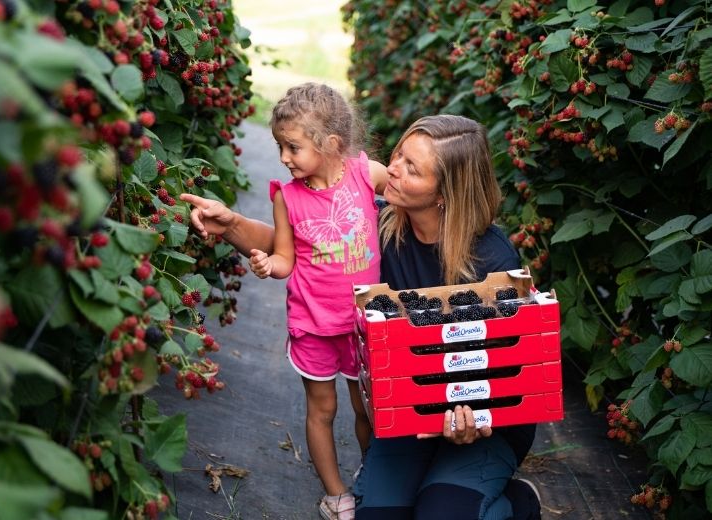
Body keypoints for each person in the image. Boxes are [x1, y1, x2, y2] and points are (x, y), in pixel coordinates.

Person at [180, 114, 542, 520]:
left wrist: (477, 415)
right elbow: (301, 243)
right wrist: (232, 225)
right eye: (398, 155)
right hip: (411, 411)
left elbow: (512, 365)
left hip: (477, 425)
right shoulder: (380, 223)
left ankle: (517, 504)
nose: (393, 169)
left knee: (442, 514)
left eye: (412, 168)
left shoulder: (492, 260)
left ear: (445, 192)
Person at [199, 82, 387, 520]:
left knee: (368, 406)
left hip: (362, 325)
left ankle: (375, 476)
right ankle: (335, 493)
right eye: (280, 146)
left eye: (293, 147)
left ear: (331, 144)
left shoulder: (365, 173)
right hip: (314, 325)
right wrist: (268, 264)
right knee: (322, 409)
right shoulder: (288, 198)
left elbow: (399, 190)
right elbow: (286, 257)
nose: (284, 157)